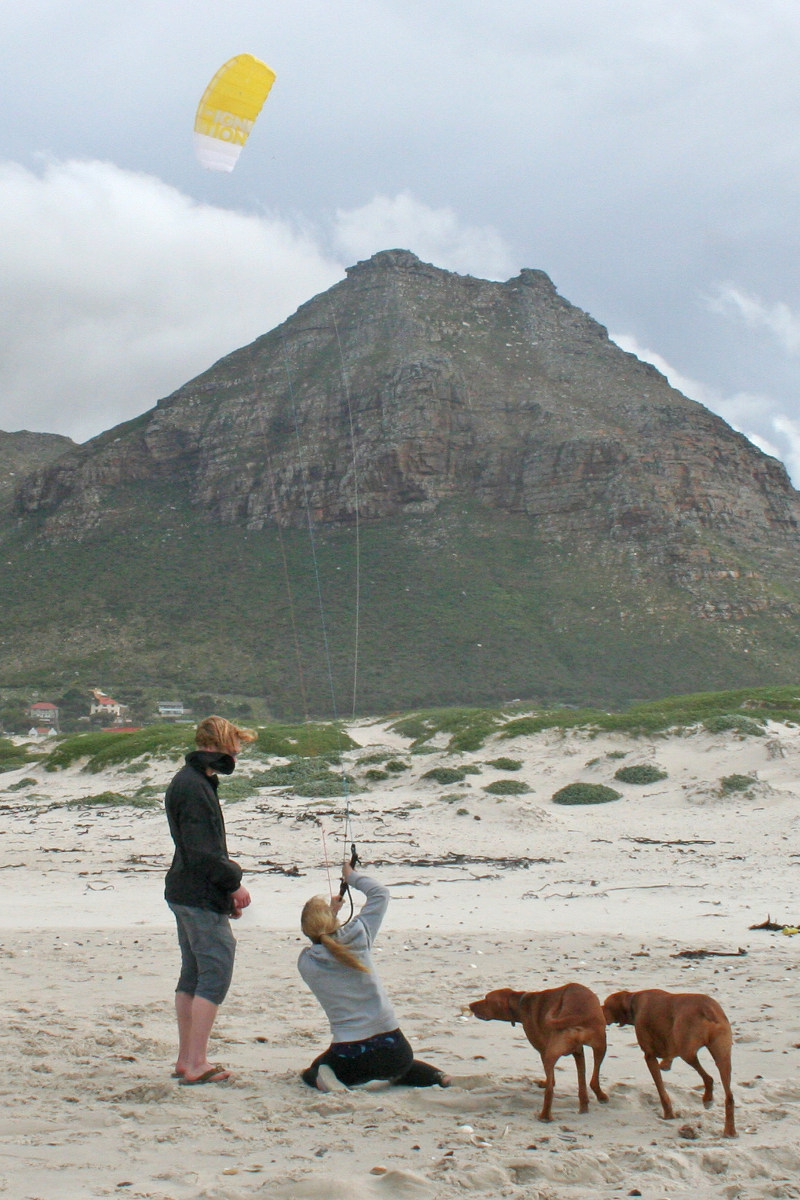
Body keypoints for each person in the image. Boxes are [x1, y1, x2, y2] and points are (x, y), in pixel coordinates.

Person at [297, 862, 451, 1091]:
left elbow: (323, 939)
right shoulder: (358, 934)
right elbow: (381, 893)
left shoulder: (306, 963)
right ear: (331, 921)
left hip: (350, 1058)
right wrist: (351, 876)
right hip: (395, 1049)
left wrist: (331, 912)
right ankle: (442, 1078)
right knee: (402, 1066)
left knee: (314, 1070)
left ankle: (327, 1080)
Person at [164, 714, 256, 1085]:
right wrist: (233, 884)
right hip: (195, 892)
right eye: (233, 747)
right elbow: (203, 851)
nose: (235, 755)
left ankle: (187, 1060)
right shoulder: (193, 785)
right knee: (214, 971)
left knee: (194, 974)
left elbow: (198, 850)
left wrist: (224, 889)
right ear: (216, 746)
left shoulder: (194, 781)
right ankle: (197, 1062)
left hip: (186, 889)